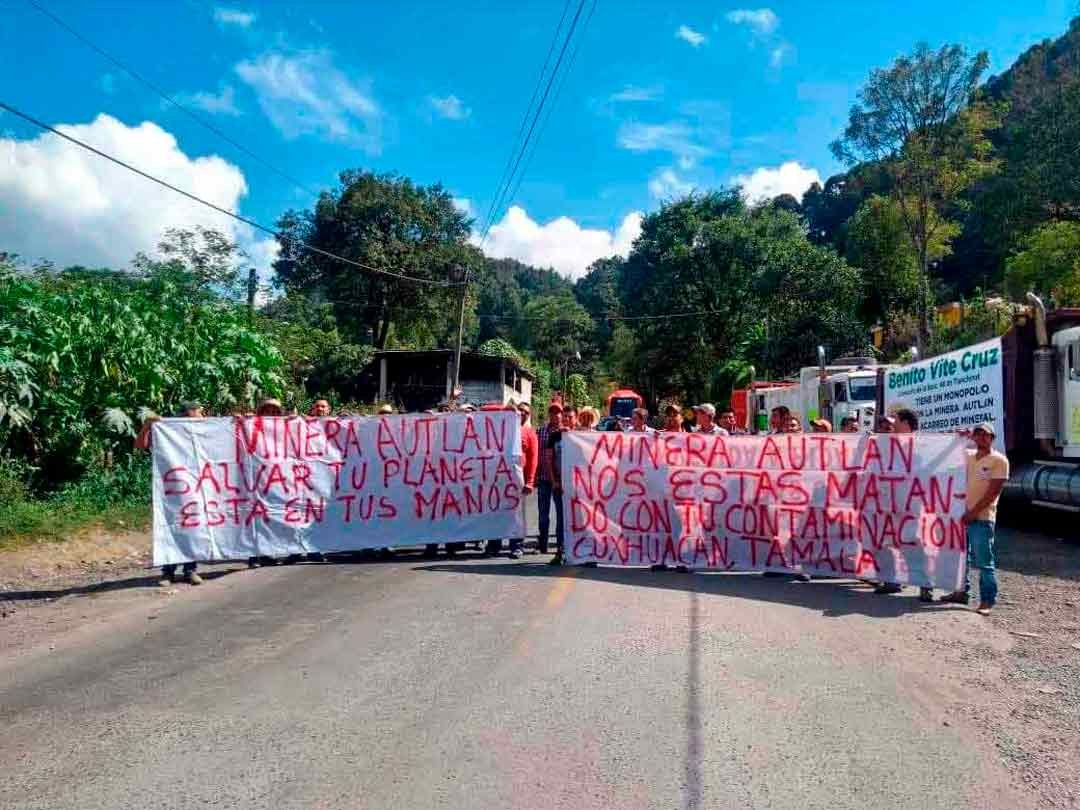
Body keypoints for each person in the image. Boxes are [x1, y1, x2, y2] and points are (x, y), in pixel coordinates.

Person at [941, 423, 1008, 615]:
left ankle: (987, 601)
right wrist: (957, 437)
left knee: (984, 562)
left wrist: (973, 512)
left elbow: (993, 492)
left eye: (985, 435)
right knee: (961, 558)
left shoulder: (999, 460)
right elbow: (946, 455)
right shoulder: (968, 456)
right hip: (962, 515)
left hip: (982, 518)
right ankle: (961, 592)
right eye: (977, 434)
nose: (981, 438)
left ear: (992, 438)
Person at [135, 401, 205, 586]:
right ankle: (168, 572)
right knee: (170, 525)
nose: (201, 415)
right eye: (198, 411)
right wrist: (147, 426)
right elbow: (140, 445)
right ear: (188, 413)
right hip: (171, 489)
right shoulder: (166, 431)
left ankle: (190, 570)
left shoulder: (204, 430)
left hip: (195, 487)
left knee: (192, 527)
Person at [486, 403, 538, 559]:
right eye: (519, 410)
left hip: (518, 481)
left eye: (526, 412)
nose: (522, 413)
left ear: (529, 416)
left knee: (516, 515)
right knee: (496, 513)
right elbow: (486, 410)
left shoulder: (529, 433)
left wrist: (530, 481)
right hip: (498, 479)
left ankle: (516, 546)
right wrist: (507, 409)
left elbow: (533, 459)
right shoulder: (499, 428)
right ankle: (494, 545)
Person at [534, 403, 562, 555]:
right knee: (543, 514)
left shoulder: (566, 432)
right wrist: (535, 476)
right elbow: (537, 454)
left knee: (561, 513)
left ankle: (560, 545)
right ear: (549, 415)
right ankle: (543, 543)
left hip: (559, 481)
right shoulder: (541, 432)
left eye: (558, 412)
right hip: (544, 478)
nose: (556, 415)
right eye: (553, 412)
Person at [545, 421, 566, 566]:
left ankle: (582, 553)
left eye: (570, 417)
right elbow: (549, 460)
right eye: (565, 417)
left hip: (577, 486)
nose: (567, 419)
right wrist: (554, 482)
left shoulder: (580, 435)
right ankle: (560, 551)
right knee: (561, 519)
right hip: (559, 484)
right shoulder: (554, 436)